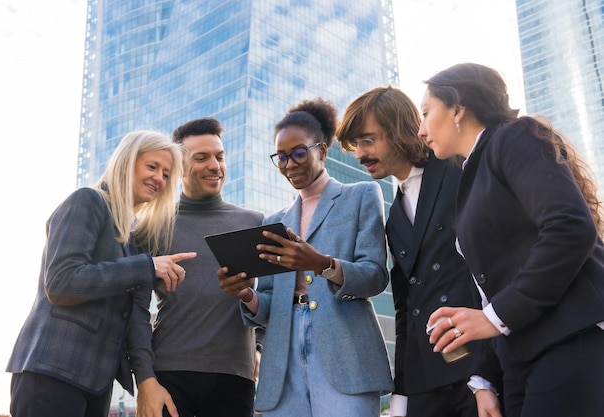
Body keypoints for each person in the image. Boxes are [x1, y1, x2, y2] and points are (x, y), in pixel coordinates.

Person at [421, 63, 604, 417]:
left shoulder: (514, 136)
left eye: (426, 113)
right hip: (521, 357)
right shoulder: (470, 177)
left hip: (571, 336)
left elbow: (569, 226)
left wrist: (495, 316)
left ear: (458, 108)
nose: (421, 129)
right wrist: (484, 379)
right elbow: (493, 291)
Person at [217, 97, 393, 417]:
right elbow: (269, 303)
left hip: (344, 350)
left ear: (322, 151)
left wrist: (321, 264)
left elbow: (375, 276)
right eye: (281, 157)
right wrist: (246, 294)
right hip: (282, 358)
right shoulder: (273, 222)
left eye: (299, 153)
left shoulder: (361, 196)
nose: (290, 164)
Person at [6, 130, 196, 417]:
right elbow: (61, 282)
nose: (159, 178)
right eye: (152, 167)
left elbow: (136, 317)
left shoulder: (133, 242)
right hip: (52, 371)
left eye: (167, 174)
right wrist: (148, 266)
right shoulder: (87, 201)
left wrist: (147, 379)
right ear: (127, 162)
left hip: (96, 383)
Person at [336, 86, 484, 417]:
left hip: (479, 366)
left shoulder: (457, 169)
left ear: (400, 128)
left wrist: (485, 374)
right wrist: (402, 391)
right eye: (355, 145)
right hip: (426, 377)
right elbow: (405, 308)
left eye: (368, 140)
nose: (360, 154)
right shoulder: (395, 215)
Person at [129, 117, 264, 417]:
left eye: (220, 156)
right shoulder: (151, 227)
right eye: (201, 158)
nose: (215, 166)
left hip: (235, 380)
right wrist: (145, 380)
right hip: (169, 375)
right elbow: (136, 311)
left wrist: (259, 352)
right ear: (179, 168)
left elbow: (270, 306)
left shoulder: (254, 224)